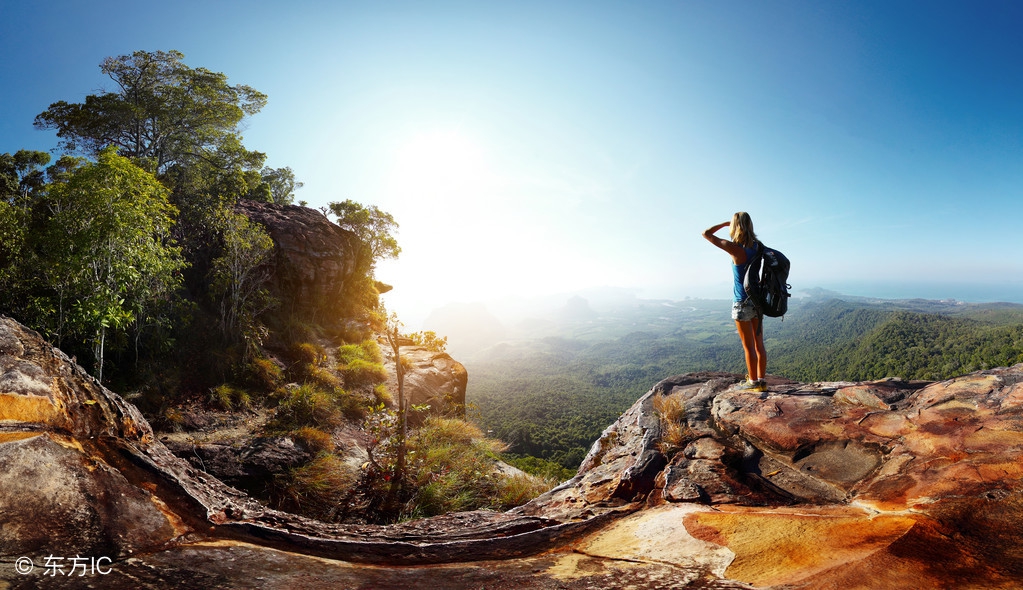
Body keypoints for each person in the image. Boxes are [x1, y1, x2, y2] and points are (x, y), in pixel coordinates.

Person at [702, 212, 767, 392]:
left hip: (742, 303)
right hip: (757, 302)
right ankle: (762, 381)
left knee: (748, 347)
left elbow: (706, 233)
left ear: (735, 226)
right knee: (759, 344)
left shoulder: (735, 249)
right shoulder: (759, 247)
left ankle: (752, 382)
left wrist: (725, 224)